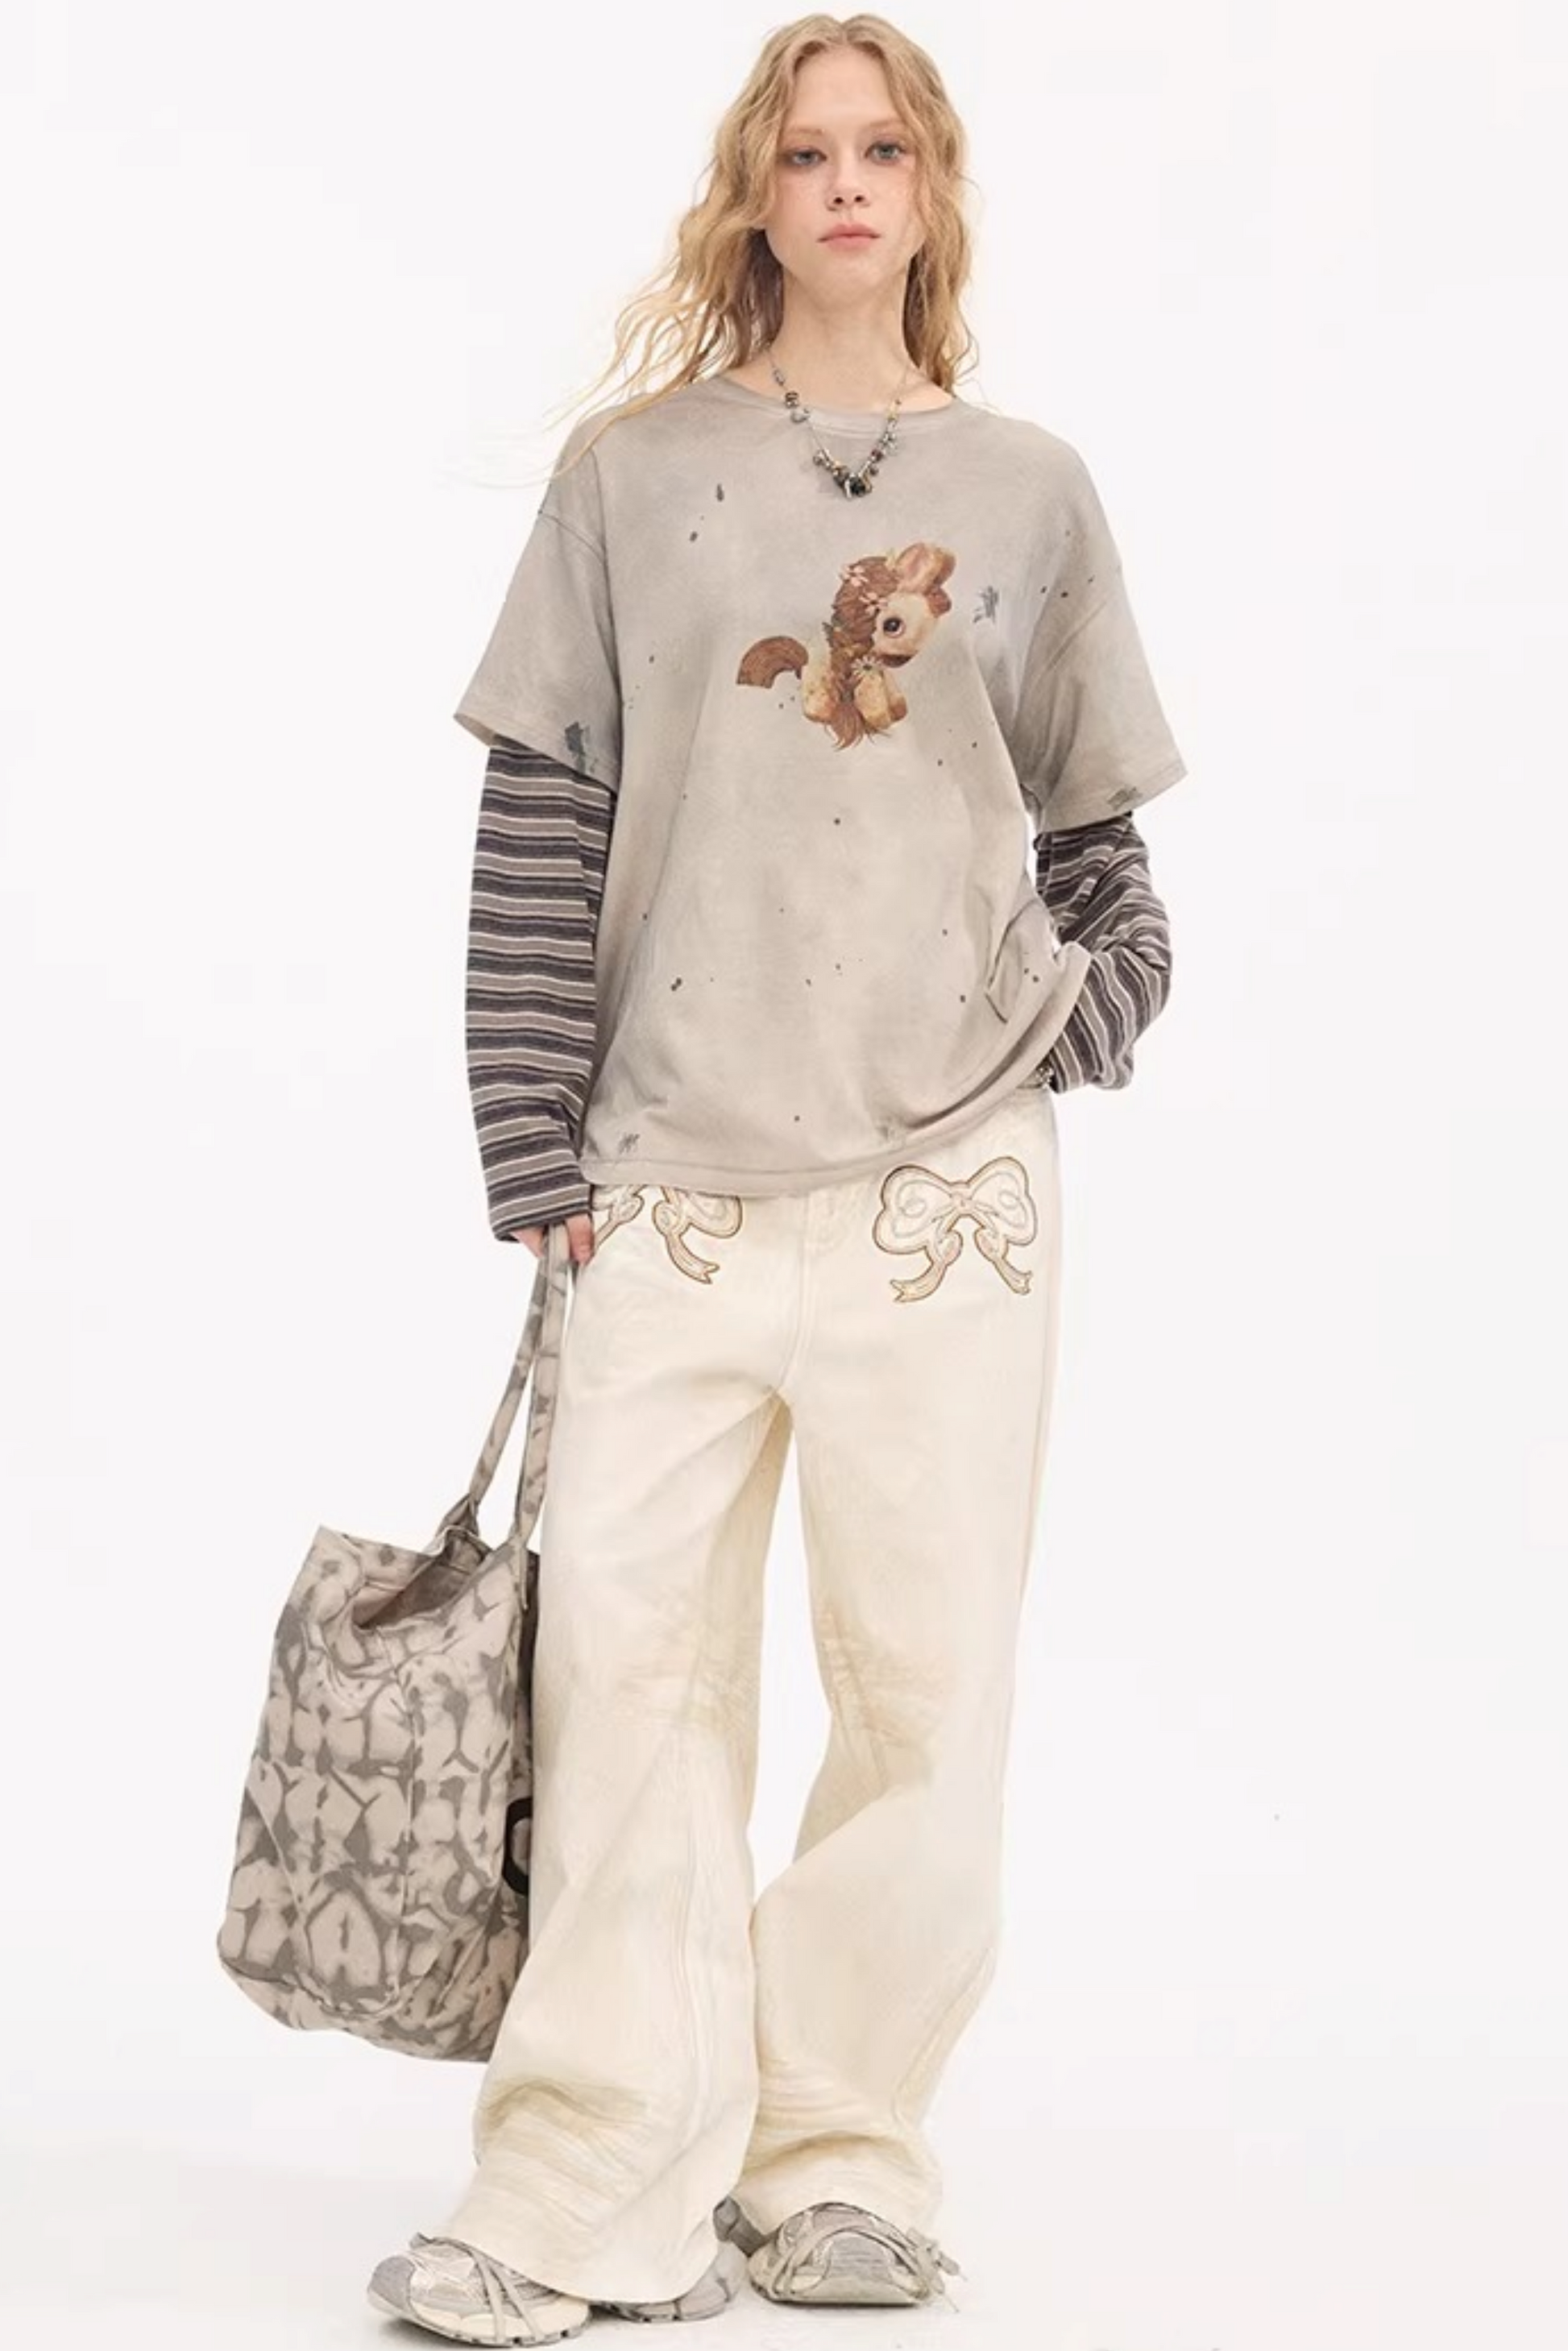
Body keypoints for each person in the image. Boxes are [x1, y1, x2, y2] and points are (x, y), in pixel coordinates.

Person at [367, 14, 1187, 2345]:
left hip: (952, 1202)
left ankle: (836, 2153)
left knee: (924, 1686)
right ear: (753, 191)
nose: (845, 182)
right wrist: (530, 1131)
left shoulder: (1027, 491)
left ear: (932, 191)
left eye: (883, 147)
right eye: (806, 149)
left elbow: (1099, 836)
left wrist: (1094, 1007)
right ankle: (581, 2186)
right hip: (668, 1181)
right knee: (629, 1681)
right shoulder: (630, 479)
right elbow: (541, 819)